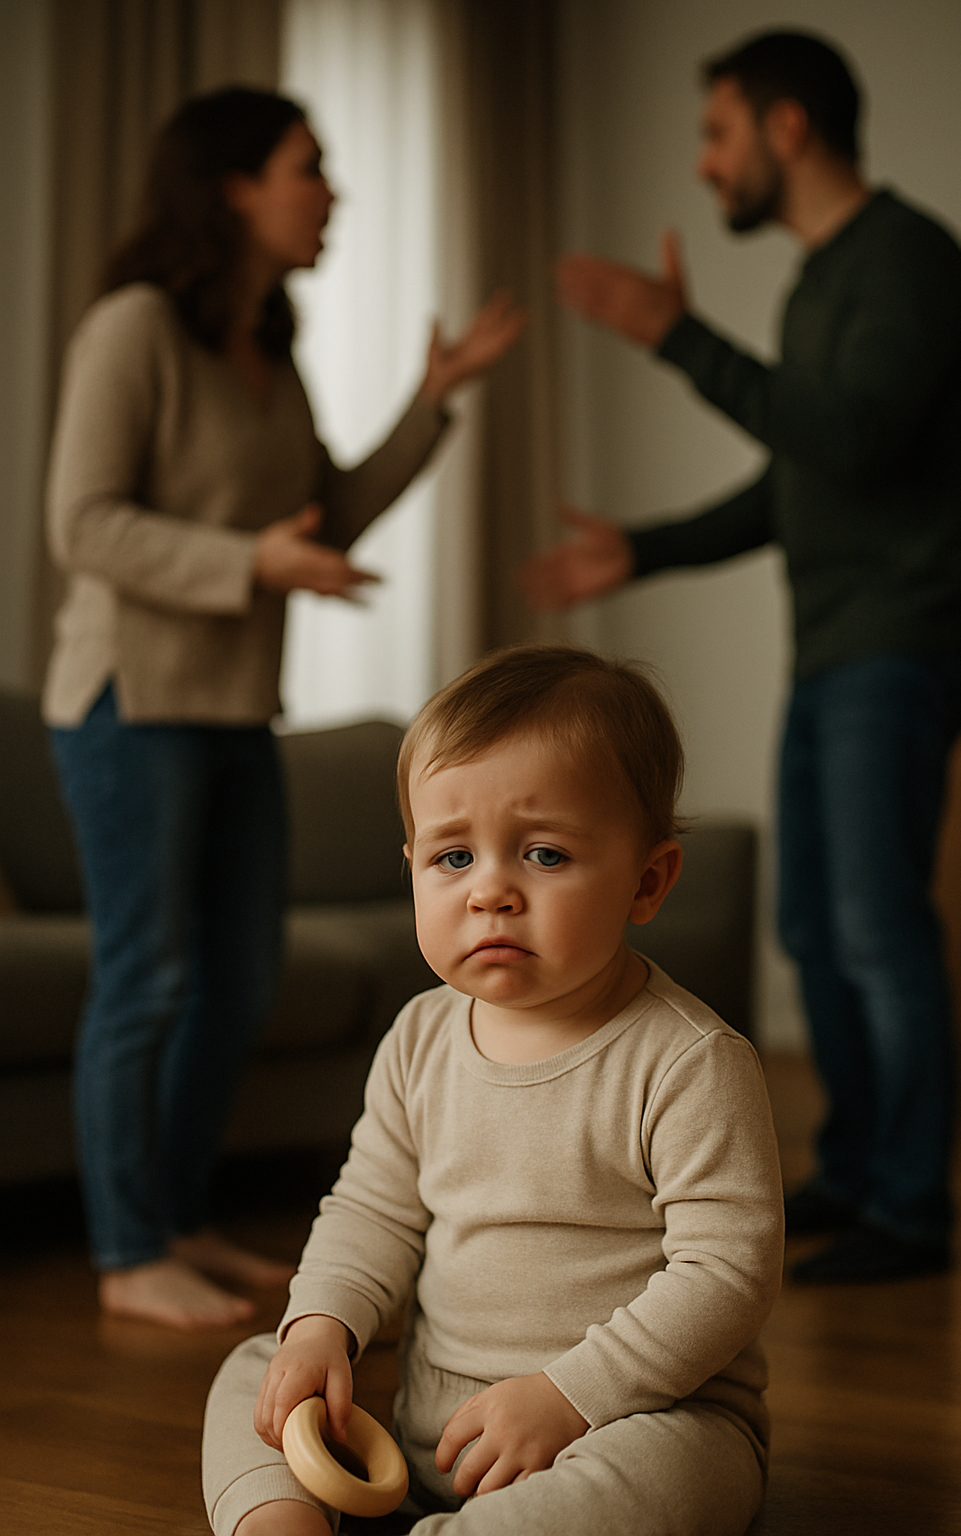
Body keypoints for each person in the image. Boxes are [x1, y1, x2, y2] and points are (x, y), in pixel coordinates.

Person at [44, 86, 525, 1331]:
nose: (332, 192)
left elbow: (323, 514)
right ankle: (125, 1246)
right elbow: (81, 523)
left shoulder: (272, 339)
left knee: (237, 977)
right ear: (231, 189)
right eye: (308, 167)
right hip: (128, 701)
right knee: (146, 977)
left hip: (233, 702)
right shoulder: (132, 329)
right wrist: (250, 563)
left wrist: (433, 400)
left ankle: (182, 1218)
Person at [520, 30, 961, 1284]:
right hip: (839, 646)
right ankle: (856, 1167)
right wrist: (644, 549)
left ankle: (912, 1210)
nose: (704, 161)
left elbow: (849, 438)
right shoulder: (819, 282)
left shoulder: (908, 261)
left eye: (717, 132)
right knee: (819, 927)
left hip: (902, 637)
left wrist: (678, 337)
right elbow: (801, 481)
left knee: (876, 926)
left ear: (788, 128)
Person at [200, 642, 784, 1536]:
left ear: (647, 880)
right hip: (431, 1427)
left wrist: (569, 1395)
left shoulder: (689, 1060)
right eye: (452, 858)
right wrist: (323, 1326)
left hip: (630, 1418)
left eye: (545, 855)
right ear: (412, 868)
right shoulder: (420, 1039)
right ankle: (280, 1522)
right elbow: (372, 1211)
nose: (492, 893)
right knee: (264, 1363)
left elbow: (727, 1272)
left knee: (682, 1473)